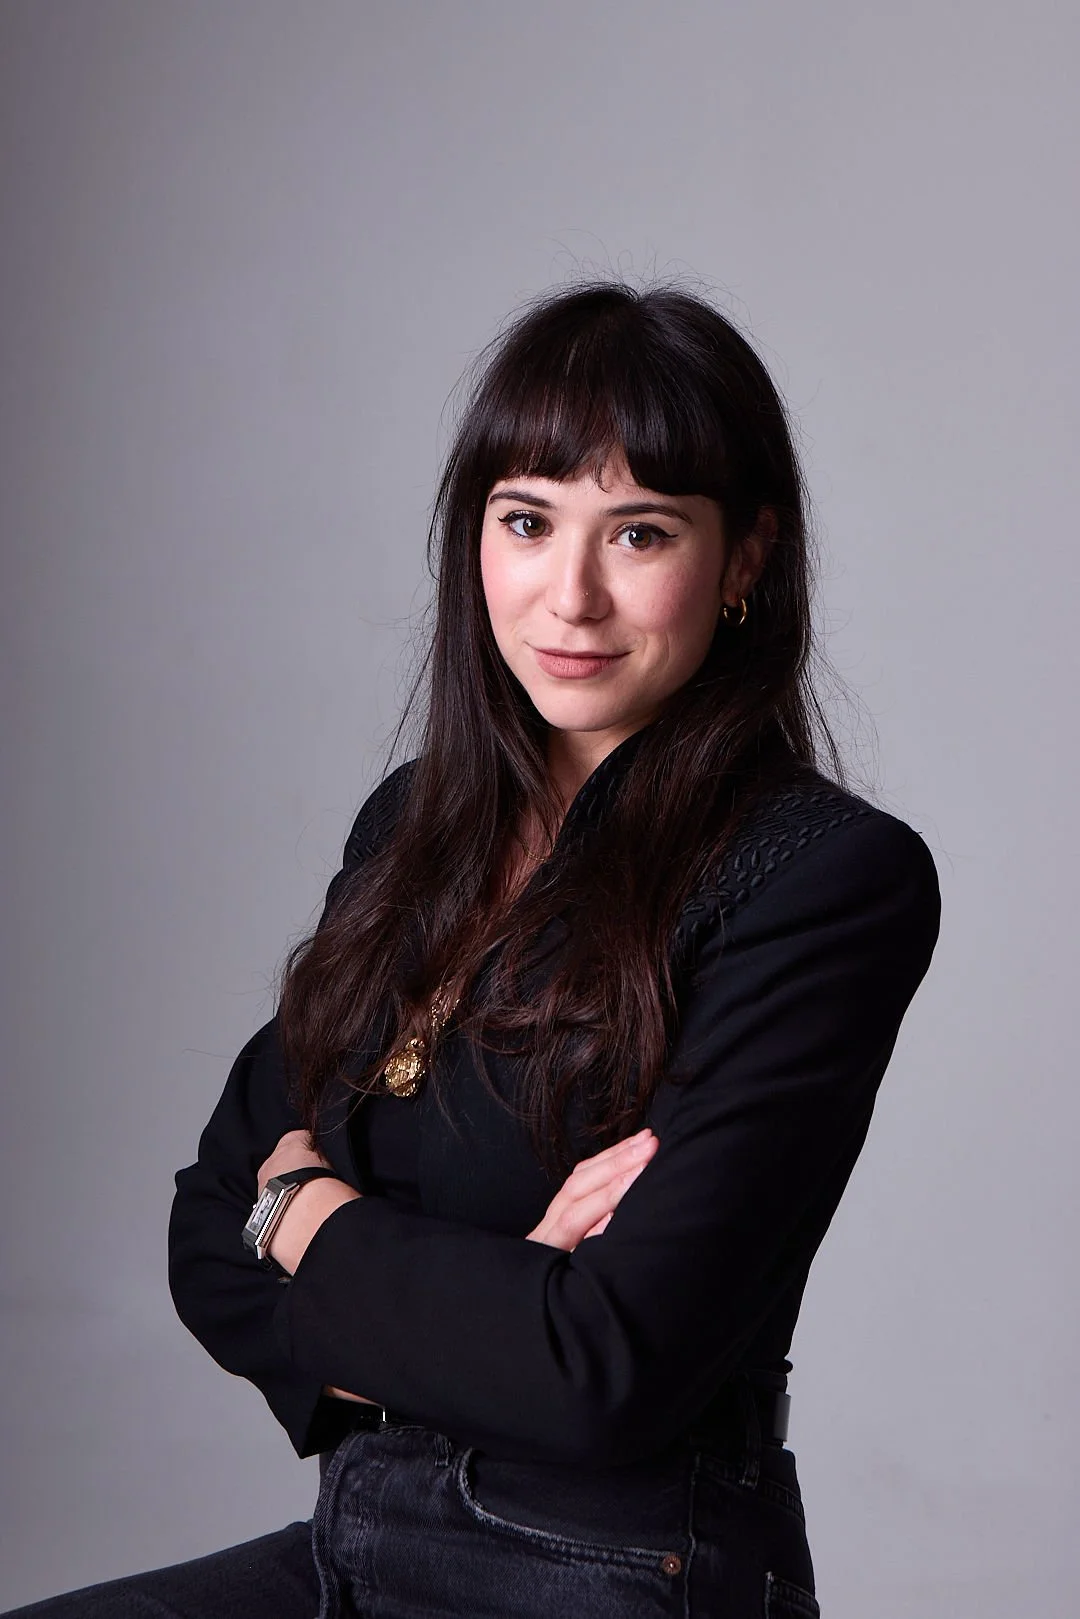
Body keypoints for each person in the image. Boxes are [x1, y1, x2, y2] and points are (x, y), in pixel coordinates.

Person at [5, 280, 941, 1618]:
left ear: (742, 562)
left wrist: (313, 1215)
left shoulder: (821, 877)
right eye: (527, 520)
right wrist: (481, 1294)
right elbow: (210, 1228)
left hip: (613, 1569)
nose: (571, 593)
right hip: (361, 1535)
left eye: (640, 533)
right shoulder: (415, 829)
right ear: (476, 541)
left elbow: (600, 1364)